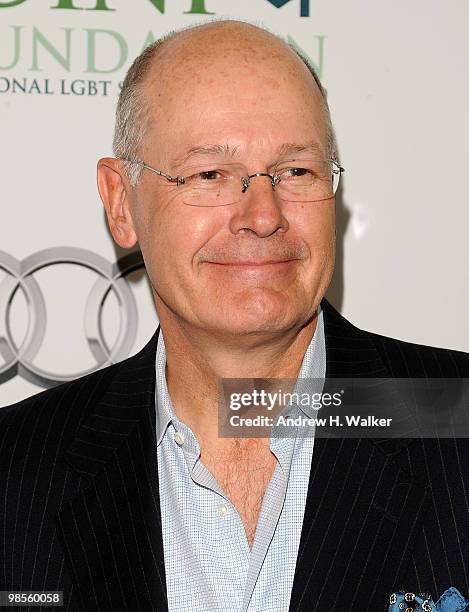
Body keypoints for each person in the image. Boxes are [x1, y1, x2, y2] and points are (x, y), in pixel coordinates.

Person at [1, 19, 468, 612]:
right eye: (210, 175)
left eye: (296, 171)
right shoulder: (15, 472)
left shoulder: (456, 423)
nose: (263, 214)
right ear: (122, 203)